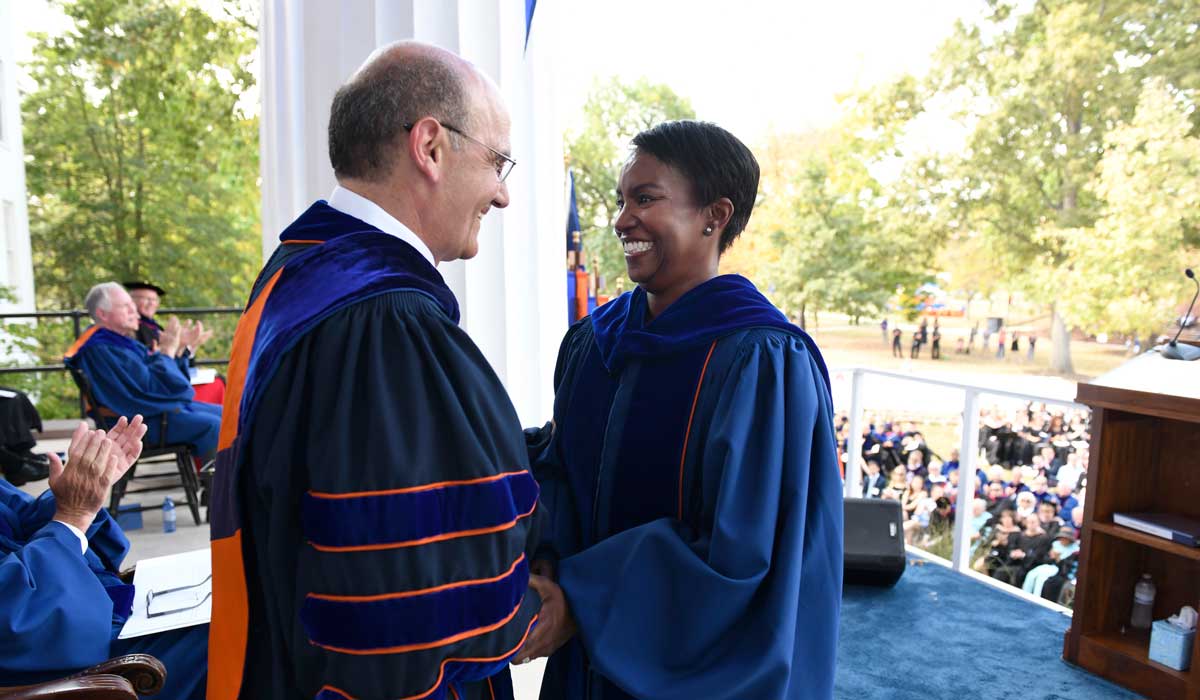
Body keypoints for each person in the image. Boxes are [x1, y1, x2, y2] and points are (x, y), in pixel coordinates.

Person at [207, 42, 539, 700]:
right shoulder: (383, 321)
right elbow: (408, 596)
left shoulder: (300, 273)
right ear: (431, 147)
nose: (502, 195)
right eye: (499, 162)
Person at [526, 120, 842, 699]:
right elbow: (561, 472)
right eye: (622, 200)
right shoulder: (592, 345)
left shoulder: (760, 362)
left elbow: (745, 558)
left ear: (714, 217)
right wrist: (544, 564)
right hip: (584, 667)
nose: (622, 220)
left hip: (691, 675)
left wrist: (583, 600)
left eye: (645, 199)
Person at [0, 417, 209, 700]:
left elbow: (19, 517)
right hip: (63, 664)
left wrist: (85, 488)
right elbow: (15, 620)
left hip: (81, 611)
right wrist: (73, 517)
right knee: (242, 627)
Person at [65, 283, 221, 463]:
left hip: (151, 412)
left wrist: (178, 351)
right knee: (216, 425)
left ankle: (231, 481)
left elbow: (162, 382)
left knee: (230, 414)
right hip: (137, 421)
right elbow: (151, 388)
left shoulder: (119, 342)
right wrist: (167, 352)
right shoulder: (101, 348)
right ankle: (216, 486)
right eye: (126, 306)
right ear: (102, 314)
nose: (135, 311)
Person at [124, 281, 224, 406]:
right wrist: (169, 350)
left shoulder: (156, 327)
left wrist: (188, 347)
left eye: (154, 300)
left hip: (169, 382)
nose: (151, 303)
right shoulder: (130, 330)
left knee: (219, 381)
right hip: (155, 391)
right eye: (145, 299)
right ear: (131, 301)